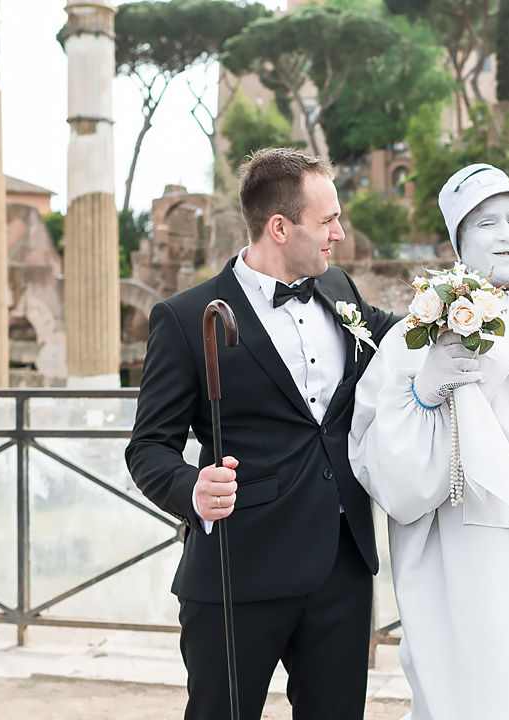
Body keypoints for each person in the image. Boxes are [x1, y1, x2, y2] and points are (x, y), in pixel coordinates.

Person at [125, 148, 398, 720]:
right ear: (280, 227)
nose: (340, 234)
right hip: (237, 571)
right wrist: (192, 490)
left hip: (342, 568)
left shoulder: (340, 289)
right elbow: (149, 447)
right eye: (327, 221)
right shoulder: (184, 317)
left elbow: (404, 338)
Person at [349, 163, 509, 720]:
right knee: (476, 687)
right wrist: (424, 390)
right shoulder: (420, 329)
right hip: (464, 551)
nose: (508, 234)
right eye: (488, 222)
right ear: (459, 241)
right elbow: (380, 454)